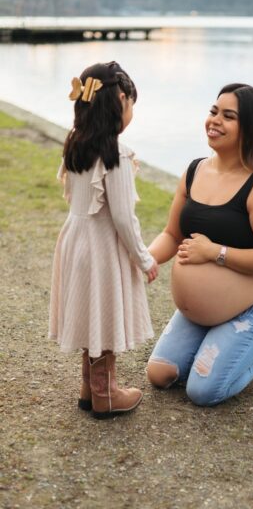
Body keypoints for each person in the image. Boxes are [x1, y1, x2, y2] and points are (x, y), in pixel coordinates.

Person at [143, 83, 253, 406]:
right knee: (160, 374)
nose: (215, 120)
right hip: (204, 310)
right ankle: (217, 335)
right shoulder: (194, 171)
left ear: (250, 129)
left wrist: (214, 253)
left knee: (203, 391)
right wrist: (143, 260)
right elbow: (172, 235)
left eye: (228, 116)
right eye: (213, 111)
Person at [50, 61, 159, 419]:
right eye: (131, 104)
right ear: (121, 99)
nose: (131, 112)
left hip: (75, 239)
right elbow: (124, 219)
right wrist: (144, 258)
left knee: (89, 311)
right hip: (99, 246)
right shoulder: (117, 155)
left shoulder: (76, 144)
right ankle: (105, 394)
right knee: (103, 313)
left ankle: (89, 387)